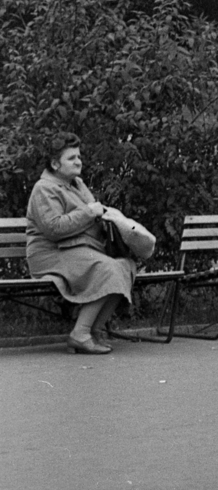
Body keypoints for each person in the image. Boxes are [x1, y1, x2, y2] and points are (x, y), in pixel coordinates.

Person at [26, 133, 146, 354]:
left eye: (79, 157)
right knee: (107, 269)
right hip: (50, 254)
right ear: (55, 164)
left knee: (125, 265)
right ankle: (79, 333)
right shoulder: (44, 188)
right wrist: (88, 212)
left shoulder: (77, 184)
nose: (78, 162)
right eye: (71, 158)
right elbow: (53, 229)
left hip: (78, 251)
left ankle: (95, 330)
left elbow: (93, 214)